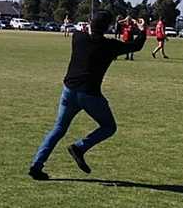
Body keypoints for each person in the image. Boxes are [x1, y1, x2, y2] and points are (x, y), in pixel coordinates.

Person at [29, 10, 147, 180]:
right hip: (90, 94)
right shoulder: (110, 46)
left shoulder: (78, 38)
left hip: (68, 91)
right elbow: (136, 46)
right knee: (109, 127)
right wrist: (141, 29)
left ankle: (36, 165)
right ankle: (79, 147)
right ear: (107, 27)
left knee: (58, 128)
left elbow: (82, 29)